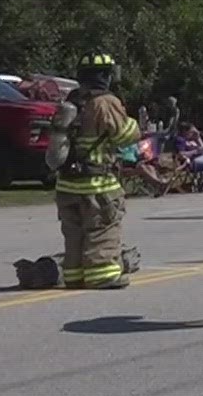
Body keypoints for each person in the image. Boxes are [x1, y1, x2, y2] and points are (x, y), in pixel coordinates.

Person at [45, 52, 140, 290]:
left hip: (67, 184)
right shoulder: (106, 102)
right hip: (98, 186)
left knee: (74, 234)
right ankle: (102, 275)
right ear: (107, 75)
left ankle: (75, 276)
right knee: (102, 229)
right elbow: (124, 135)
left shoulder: (73, 100)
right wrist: (135, 123)